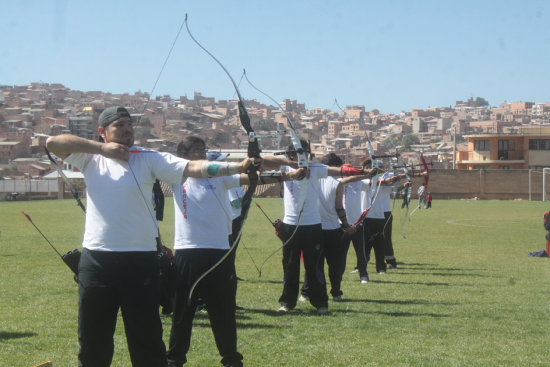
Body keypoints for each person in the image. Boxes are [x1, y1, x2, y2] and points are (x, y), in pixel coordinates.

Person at [45, 106, 257, 367]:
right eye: (119, 125)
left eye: (129, 125)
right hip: (97, 262)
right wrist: (102, 149)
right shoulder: (90, 158)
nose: (127, 130)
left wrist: (234, 166)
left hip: (140, 262)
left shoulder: (147, 158)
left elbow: (192, 166)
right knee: (93, 339)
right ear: (102, 132)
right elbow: (53, 143)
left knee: (147, 340)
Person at [167, 137, 305, 367]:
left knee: (223, 311)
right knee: (183, 311)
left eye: (202, 149)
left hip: (220, 252)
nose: (200, 154)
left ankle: (231, 360)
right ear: (183, 155)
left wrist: (289, 173)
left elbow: (255, 176)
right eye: (194, 150)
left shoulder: (220, 176)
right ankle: (174, 360)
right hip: (187, 251)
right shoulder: (176, 174)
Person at [274, 140, 376, 314]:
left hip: (312, 225)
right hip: (291, 225)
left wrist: (364, 172)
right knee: (290, 266)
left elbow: (340, 170)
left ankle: (320, 302)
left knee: (314, 267)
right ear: (291, 156)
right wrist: (289, 165)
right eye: (298, 154)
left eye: (305, 154)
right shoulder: (284, 169)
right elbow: (263, 162)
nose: (303, 158)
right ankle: (287, 302)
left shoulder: (315, 169)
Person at [316, 153, 356, 301]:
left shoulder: (313, 180)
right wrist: (347, 226)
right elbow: (339, 207)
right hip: (332, 229)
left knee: (315, 263)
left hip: (315, 228)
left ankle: (308, 293)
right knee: (335, 265)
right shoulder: (336, 183)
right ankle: (336, 292)